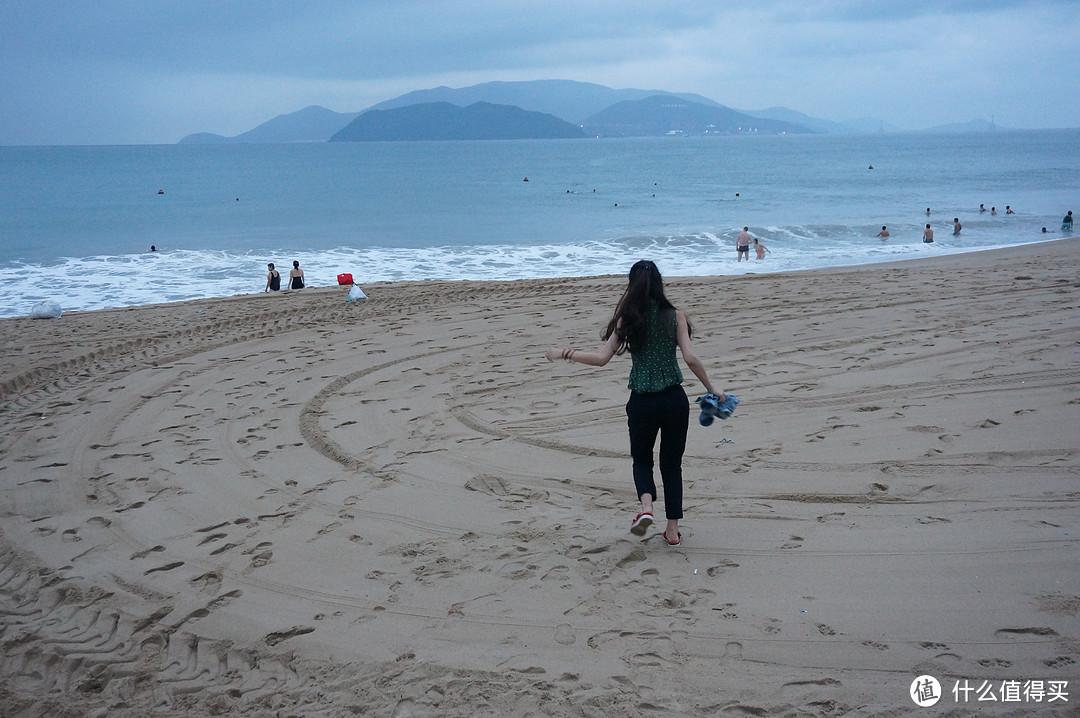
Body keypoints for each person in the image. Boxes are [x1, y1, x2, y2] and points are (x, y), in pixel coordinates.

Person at [543, 260, 726, 547]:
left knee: (642, 459)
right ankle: (673, 531)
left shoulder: (627, 320)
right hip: (674, 401)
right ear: (659, 283)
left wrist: (564, 353)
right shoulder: (675, 316)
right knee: (672, 464)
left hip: (641, 403)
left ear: (632, 286)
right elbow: (690, 358)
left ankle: (647, 508)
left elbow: (601, 359)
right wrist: (712, 388)